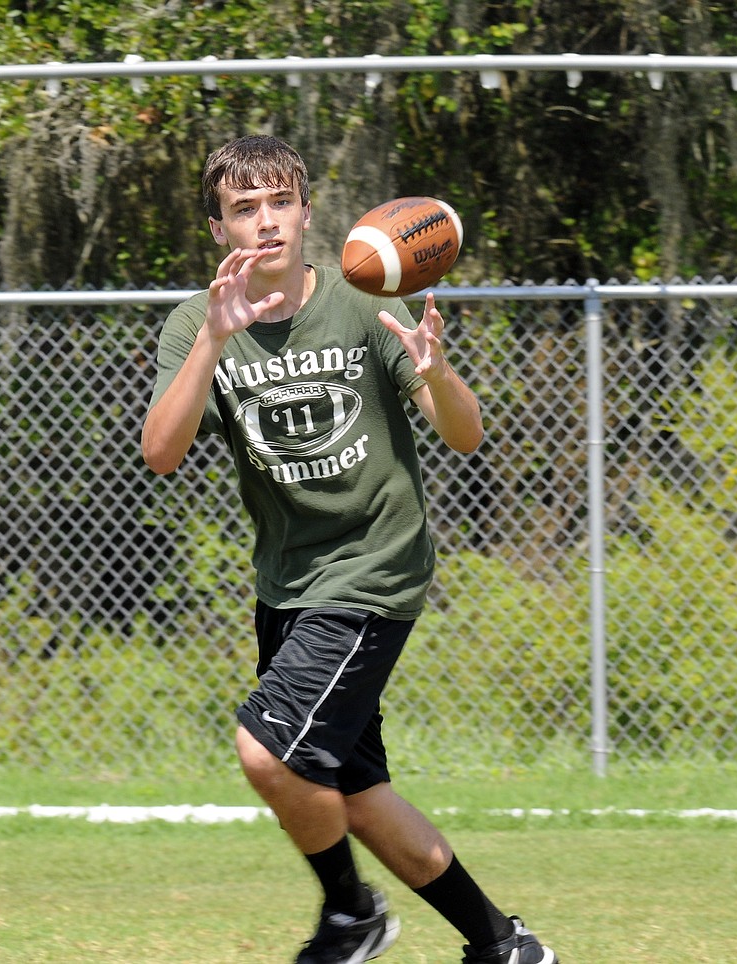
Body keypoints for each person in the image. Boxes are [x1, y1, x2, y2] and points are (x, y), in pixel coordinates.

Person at [141, 134, 559, 964]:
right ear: (220, 229)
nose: (265, 223)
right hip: (289, 585)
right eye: (243, 209)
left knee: (268, 750)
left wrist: (436, 374)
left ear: (305, 211)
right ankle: (505, 946)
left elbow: (467, 437)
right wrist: (211, 344)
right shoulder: (197, 323)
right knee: (353, 794)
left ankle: (349, 915)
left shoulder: (365, 302)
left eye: (279, 203)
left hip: (374, 567)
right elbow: (161, 452)